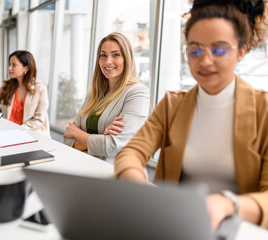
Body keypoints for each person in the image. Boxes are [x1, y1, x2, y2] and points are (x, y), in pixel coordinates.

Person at [115, 0, 268, 230]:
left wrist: (227, 204)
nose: (205, 61)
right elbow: (131, 152)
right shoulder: (172, 105)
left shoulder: (263, 110)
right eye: (195, 50)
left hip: (236, 230)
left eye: (219, 50)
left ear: (241, 51)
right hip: (175, 225)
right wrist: (139, 186)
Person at [64, 32, 149, 164]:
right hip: (82, 166)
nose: (108, 61)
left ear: (127, 58)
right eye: (103, 55)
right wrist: (101, 138)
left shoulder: (137, 93)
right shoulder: (95, 92)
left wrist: (79, 134)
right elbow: (68, 138)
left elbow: (113, 146)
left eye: (116, 55)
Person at [0, 50, 50, 137]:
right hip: (8, 134)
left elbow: (39, 120)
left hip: (31, 135)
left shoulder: (40, 89)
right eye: (9, 64)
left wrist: (18, 131)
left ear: (26, 68)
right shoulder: (7, 87)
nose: (9, 68)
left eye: (14, 65)